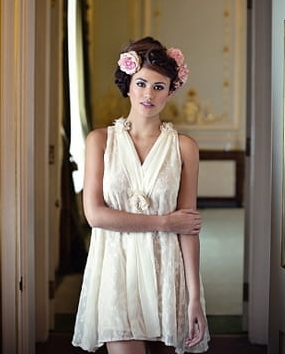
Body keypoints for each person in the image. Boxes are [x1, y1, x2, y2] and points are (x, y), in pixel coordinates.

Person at [72, 37, 210, 354]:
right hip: (115, 272)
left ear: (171, 90)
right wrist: (164, 221)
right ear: (128, 84)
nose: (149, 94)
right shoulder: (99, 141)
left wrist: (194, 299)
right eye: (142, 83)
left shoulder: (184, 147)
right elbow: (95, 215)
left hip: (167, 273)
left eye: (159, 87)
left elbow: (187, 227)